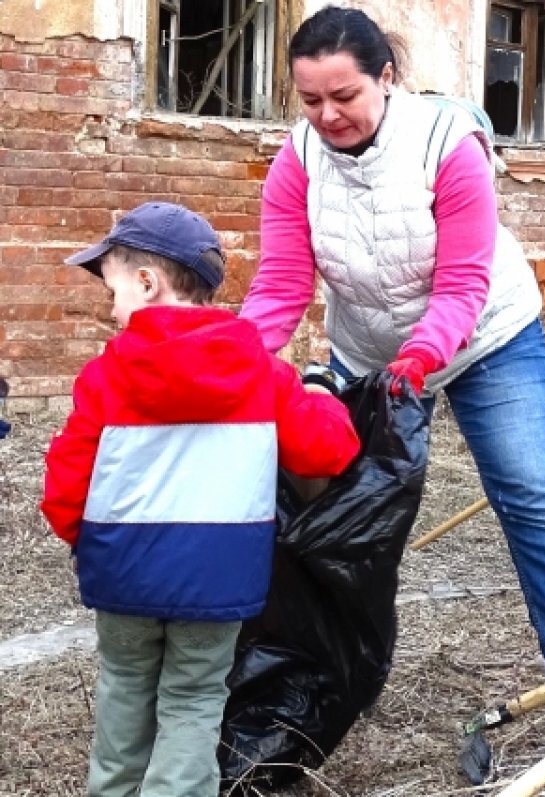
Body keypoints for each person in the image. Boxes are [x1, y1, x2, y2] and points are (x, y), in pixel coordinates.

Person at [238, 6, 545, 744]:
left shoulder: (447, 142)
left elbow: (463, 280)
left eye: (344, 96)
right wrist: (231, 361)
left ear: (387, 78)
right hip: (370, 350)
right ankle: (328, 682)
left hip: (486, 339)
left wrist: (421, 357)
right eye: (311, 100)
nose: (327, 115)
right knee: (336, 519)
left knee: (529, 490)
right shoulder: (297, 158)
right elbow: (284, 281)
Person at [40, 202, 361, 797]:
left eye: (113, 290)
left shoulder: (106, 377)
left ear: (146, 282)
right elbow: (326, 452)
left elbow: (66, 480)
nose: (112, 310)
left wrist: (83, 542)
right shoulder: (262, 373)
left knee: (124, 690)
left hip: (123, 576)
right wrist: (321, 392)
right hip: (216, 582)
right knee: (192, 700)